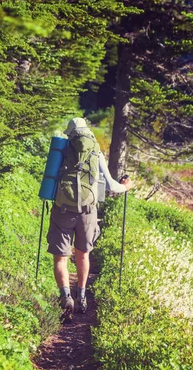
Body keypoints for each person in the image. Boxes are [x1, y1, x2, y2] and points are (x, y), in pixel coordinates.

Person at [47, 117, 133, 319]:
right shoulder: (96, 151)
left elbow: (49, 180)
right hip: (87, 211)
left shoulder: (62, 150)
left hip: (62, 209)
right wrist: (127, 186)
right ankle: (82, 296)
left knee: (61, 257)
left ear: (70, 134)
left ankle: (65, 296)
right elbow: (112, 186)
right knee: (83, 254)